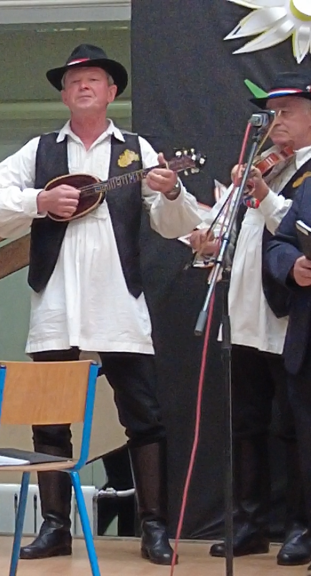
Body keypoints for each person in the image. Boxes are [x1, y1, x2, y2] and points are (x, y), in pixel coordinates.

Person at [0, 44, 203, 565]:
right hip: (57, 304)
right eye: (74, 80)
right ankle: (55, 527)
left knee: (144, 417)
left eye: (94, 79)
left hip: (118, 304)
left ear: (111, 91)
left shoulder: (137, 150)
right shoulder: (39, 151)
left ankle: (154, 528)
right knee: (49, 421)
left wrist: (172, 192)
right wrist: (38, 201)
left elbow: (174, 224)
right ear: (63, 94)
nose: (83, 85)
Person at [189, 72, 311, 565]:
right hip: (242, 314)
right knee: (244, 425)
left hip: (287, 318)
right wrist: (206, 239)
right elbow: (225, 234)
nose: (276, 122)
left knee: (296, 427)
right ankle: (249, 522)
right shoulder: (265, 168)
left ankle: (301, 525)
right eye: (272, 113)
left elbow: (293, 230)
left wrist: (262, 195)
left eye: (287, 112)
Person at [265, 109, 311, 576]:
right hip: (307, 338)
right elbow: (280, 241)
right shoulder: (309, 183)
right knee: (304, 439)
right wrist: (293, 267)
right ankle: (305, 527)